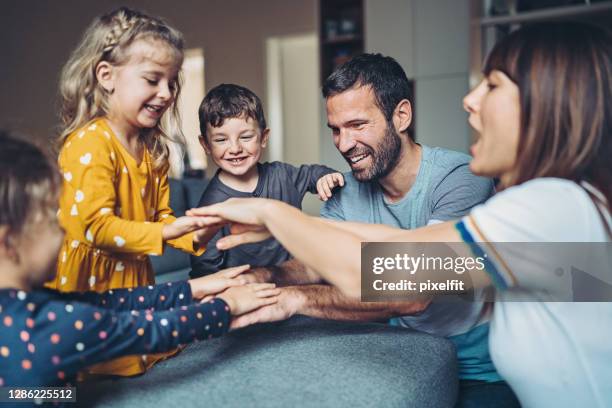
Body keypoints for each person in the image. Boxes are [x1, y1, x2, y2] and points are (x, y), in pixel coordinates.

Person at [189, 22, 612, 407]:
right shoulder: (563, 204)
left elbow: (407, 275)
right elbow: (396, 244)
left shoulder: (547, 207)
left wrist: (274, 214)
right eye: (336, 129)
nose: (469, 99)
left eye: (493, 85)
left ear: (547, 106)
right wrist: (266, 276)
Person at [209, 55, 510, 404]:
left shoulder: (459, 177)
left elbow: (414, 291)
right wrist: (259, 278)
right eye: (336, 129)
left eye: (357, 125)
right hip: (402, 354)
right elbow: (314, 266)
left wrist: (292, 298)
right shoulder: (343, 192)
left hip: (478, 371)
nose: (343, 144)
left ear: (401, 116)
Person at [0, 132, 280, 388]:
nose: (63, 231)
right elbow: (152, 330)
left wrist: (195, 288)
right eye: (53, 221)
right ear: (8, 242)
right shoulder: (49, 324)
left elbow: (113, 302)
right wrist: (227, 306)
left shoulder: (35, 305)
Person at [47, 7, 225, 377]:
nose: (166, 93)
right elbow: (95, 228)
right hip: (89, 282)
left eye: (172, 82)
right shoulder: (89, 144)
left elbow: (160, 218)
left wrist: (195, 236)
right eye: (152, 79)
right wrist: (164, 233)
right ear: (106, 76)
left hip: (131, 275)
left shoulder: (154, 151)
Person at [190, 84, 343, 277]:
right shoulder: (212, 204)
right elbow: (204, 267)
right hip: (248, 292)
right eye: (221, 140)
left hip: (297, 280)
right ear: (205, 145)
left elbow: (312, 173)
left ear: (263, 137)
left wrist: (325, 177)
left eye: (245, 137)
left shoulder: (282, 175)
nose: (235, 148)